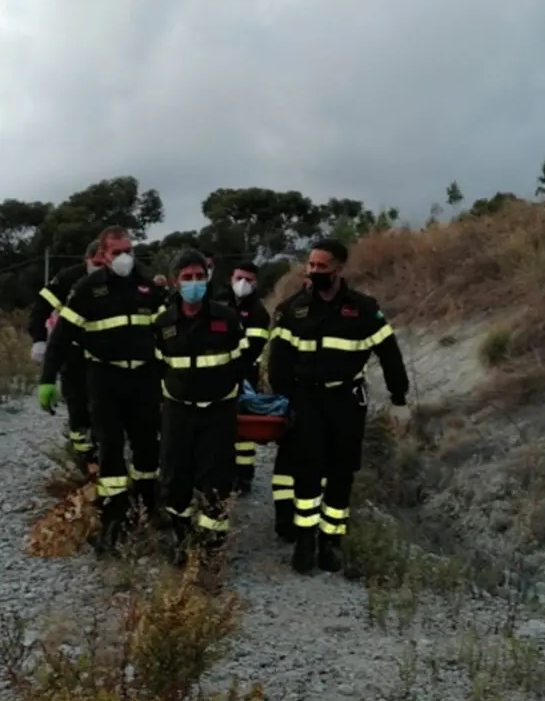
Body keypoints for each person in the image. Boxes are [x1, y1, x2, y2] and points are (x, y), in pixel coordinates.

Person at [267, 238, 410, 574]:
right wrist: (285, 398)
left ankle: (331, 541)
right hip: (306, 400)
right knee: (307, 471)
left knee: (342, 472)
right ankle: (305, 540)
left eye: (321, 266)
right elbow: (278, 362)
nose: (314, 271)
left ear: (338, 269)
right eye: (311, 265)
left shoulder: (363, 309)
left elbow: (390, 354)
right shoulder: (293, 309)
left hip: (346, 400)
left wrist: (399, 397)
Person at [38, 226, 166, 555]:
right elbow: (61, 336)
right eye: (116, 252)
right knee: (109, 450)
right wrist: (48, 379)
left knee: (146, 448)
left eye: (128, 250)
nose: (124, 258)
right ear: (104, 255)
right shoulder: (87, 289)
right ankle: (114, 521)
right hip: (105, 380)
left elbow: (171, 329)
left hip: (144, 379)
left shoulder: (146, 286)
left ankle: (149, 509)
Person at [154, 249, 248, 567]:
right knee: (175, 478)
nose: (194, 283)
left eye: (199, 276)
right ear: (174, 282)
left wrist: (228, 392)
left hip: (218, 412)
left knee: (217, 479)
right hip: (178, 412)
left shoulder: (227, 318)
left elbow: (243, 362)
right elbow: (156, 369)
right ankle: (181, 537)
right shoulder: (163, 324)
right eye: (187, 277)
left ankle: (211, 548)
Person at [28, 239, 103, 475]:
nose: (100, 268)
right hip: (73, 350)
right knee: (78, 405)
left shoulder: (118, 281)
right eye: (96, 263)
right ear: (86, 259)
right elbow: (40, 308)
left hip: (106, 353)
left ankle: (106, 454)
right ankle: (85, 457)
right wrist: (39, 340)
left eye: (105, 263)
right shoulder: (69, 279)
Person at [215, 261, 271, 494]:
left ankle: (245, 475)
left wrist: (223, 348)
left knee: (243, 429)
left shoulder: (259, 312)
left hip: (245, 374)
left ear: (256, 283)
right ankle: (221, 472)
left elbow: (253, 347)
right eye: (239, 278)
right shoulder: (218, 302)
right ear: (231, 278)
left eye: (248, 280)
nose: (243, 283)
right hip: (216, 373)